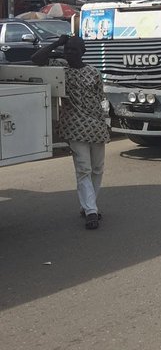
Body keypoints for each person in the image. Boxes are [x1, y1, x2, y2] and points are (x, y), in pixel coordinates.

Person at [32, 34, 109, 229]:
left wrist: (106, 121)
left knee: (97, 169)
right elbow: (36, 58)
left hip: (97, 126)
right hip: (74, 126)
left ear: (83, 52)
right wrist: (57, 42)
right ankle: (91, 211)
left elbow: (101, 99)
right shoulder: (60, 69)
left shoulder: (94, 72)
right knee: (84, 169)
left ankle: (88, 205)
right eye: (67, 49)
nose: (70, 53)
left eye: (74, 49)